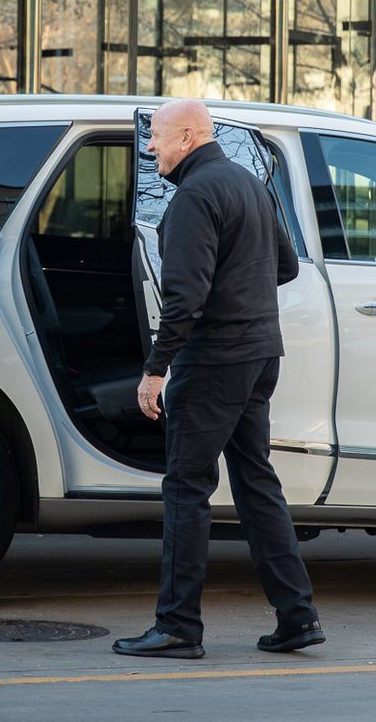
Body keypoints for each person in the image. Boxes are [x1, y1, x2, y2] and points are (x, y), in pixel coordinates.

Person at [112, 99, 323, 660]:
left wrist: (154, 371)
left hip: (213, 363)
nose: (149, 146)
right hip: (259, 357)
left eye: (156, 137)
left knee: (186, 487)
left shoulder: (190, 200)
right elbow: (287, 266)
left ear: (187, 136)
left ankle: (178, 625)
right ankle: (297, 617)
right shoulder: (249, 184)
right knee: (256, 483)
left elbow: (183, 300)